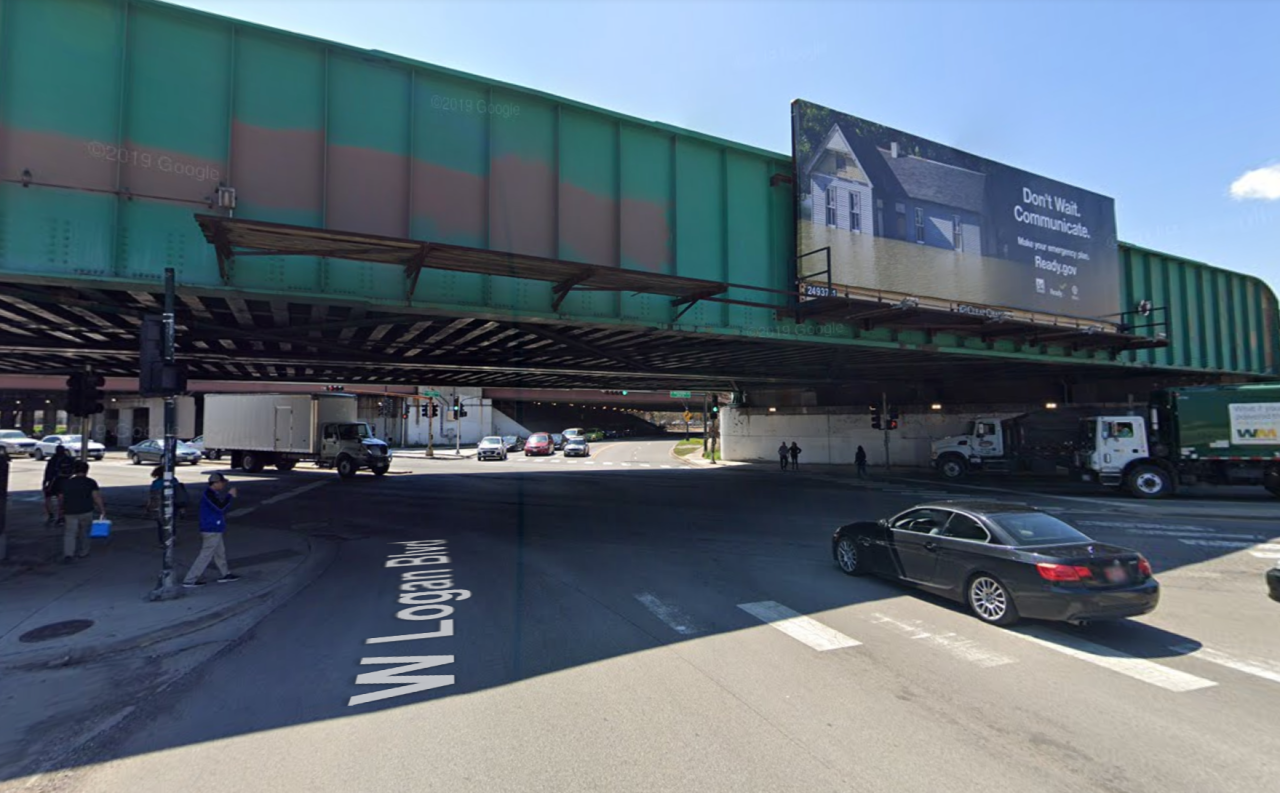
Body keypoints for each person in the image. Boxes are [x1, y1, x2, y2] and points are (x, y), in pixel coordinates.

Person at [183, 472, 241, 588]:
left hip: (214, 527)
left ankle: (225, 574)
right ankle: (190, 579)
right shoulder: (209, 494)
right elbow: (220, 508)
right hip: (211, 528)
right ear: (216, 483)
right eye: (222, 482)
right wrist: (229, 496)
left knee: (219, 552)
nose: (224, 485)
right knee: (206, 554)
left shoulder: (212, 493)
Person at [59, 460, 105, 563]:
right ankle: (84, 551)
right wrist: (102, 510)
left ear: (74, 470)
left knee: (70, 533)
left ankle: (68, 554)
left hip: (70, 511)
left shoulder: (67, 483)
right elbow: (96, 497)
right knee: (85, 532)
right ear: (87, 470)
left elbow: (61, 498)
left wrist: (61, 509)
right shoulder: (91, 482)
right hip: (86, 510)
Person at [146, 466, 190, 548]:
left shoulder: (156, 483)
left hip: (160, 506)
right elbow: (179, 494)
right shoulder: (173, 480)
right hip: (173, 504)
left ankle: (163, 541)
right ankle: (172, 537)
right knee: (171, 522)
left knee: (161, 524)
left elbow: (152, 496)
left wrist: (149, 506)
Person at [42, 446, 75, 527]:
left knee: (48, 498)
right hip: (65, 481)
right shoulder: (69, 459)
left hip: (53, 481)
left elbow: (48, 471)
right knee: (61, 500)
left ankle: (51, 515)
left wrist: (45, 482)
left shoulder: (53, 460)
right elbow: (73, 470)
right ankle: (61, 517)